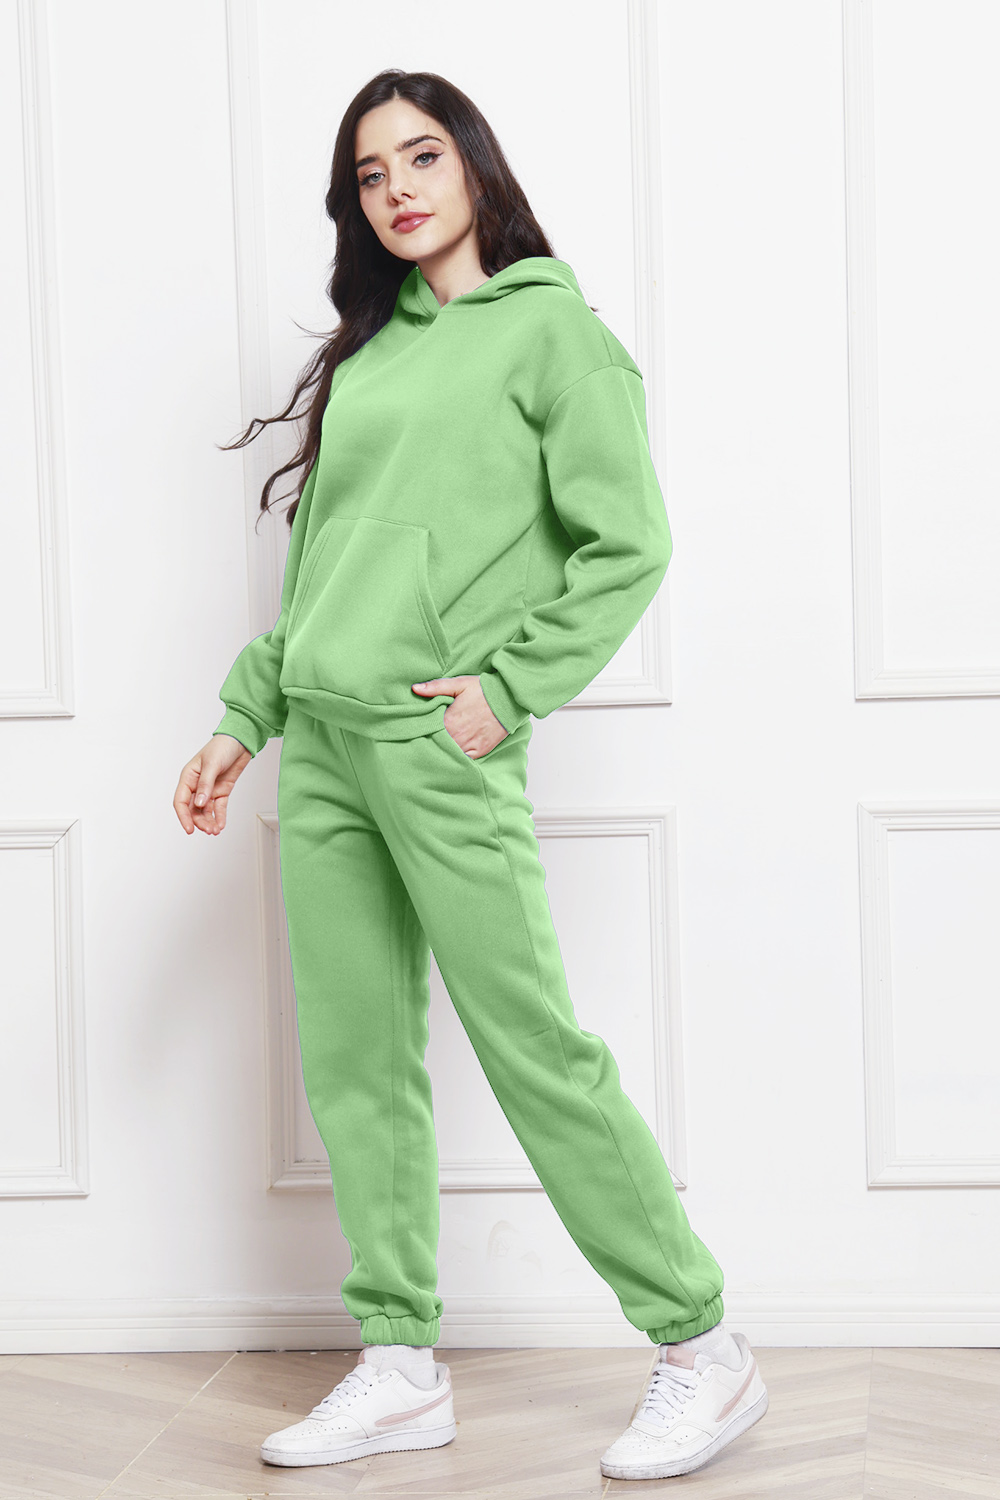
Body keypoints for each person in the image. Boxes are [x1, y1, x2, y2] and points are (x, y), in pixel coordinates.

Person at [172, 67, 768, 1483]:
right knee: (355, 1065)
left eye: (422, 156)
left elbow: (629, 545)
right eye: (370, 174)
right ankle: (398, 1365)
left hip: (441, 751)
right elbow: (320, 569)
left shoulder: (556, 334)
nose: (397, 189)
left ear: (475, 165)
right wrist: (244, 717)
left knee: (534, 1050)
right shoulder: (373, 355)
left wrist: (507, 692)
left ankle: (703, 1347)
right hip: (323, 746)